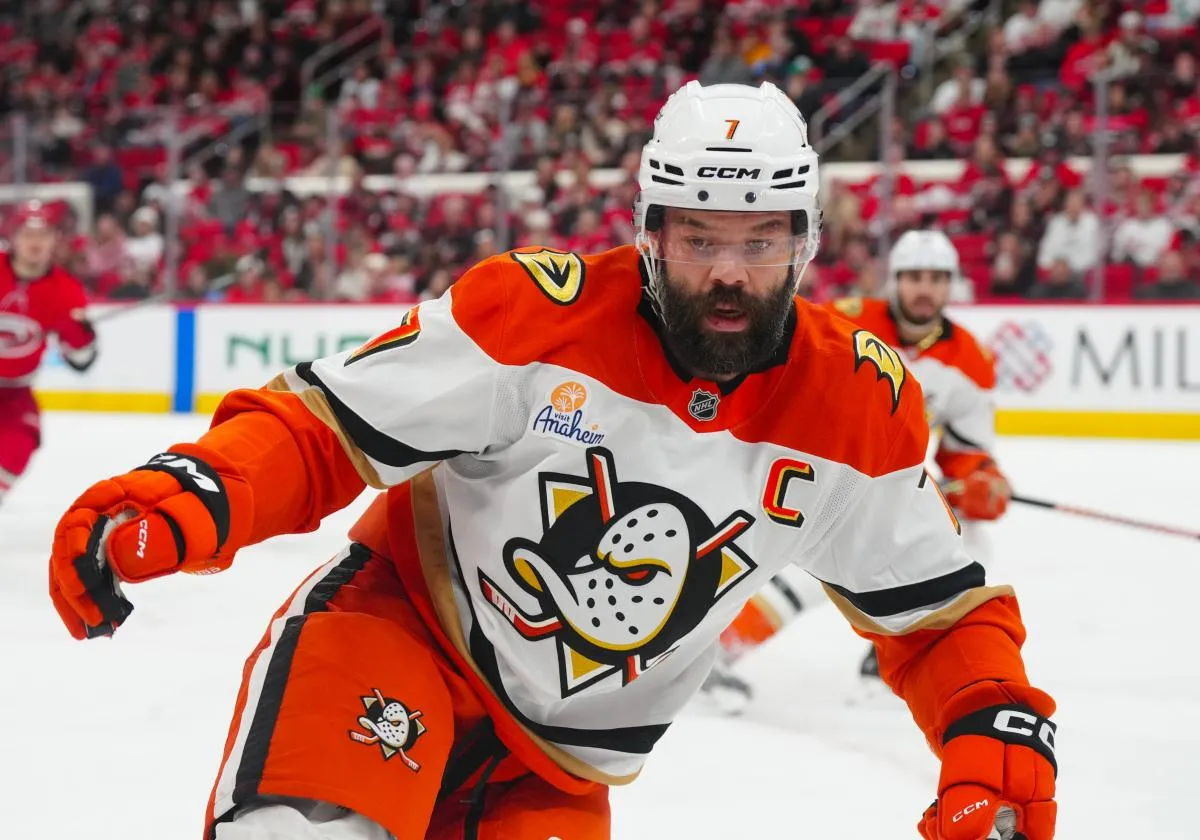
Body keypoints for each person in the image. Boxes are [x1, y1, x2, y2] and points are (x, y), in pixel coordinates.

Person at [47, 83, 1056, 840]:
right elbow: (326, 426)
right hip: (402, 634)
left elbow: (939, 614)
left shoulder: (859, 406)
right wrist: (204, 491)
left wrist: (991, 722)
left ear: (805, 244)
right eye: (701, 240)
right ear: (648, 232)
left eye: (759, 245)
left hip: (562, 772)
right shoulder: (532, 313)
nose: (729, 276)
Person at [707, 229, 1015, 709]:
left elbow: (966, 452)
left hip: (878, 477)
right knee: (809, 553)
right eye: (914, 277)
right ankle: (715, 650)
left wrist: (980, 479)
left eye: (936, 279)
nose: (924, 289)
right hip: (807, 457)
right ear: (895, 281)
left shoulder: (970, 361)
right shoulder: (847, 321)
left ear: (951, 285)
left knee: (968, 538)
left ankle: (897, 648)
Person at [0, 200, 97, 506]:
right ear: (13, 237)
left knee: (20, 445)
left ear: (55, 239)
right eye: (28, 233)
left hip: (15, 399)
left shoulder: (67, 291)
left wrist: (81, 335)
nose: (35, 243)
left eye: (43, 235)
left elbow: (81, 361)